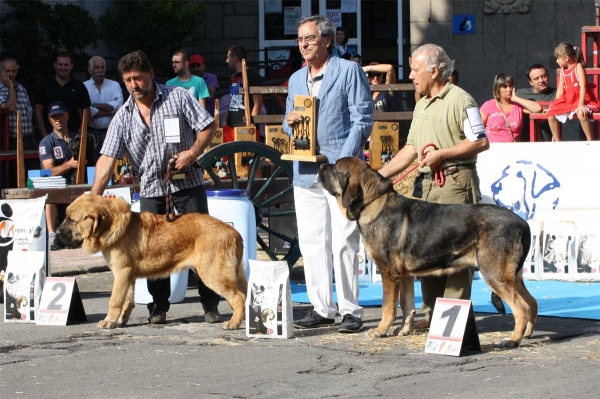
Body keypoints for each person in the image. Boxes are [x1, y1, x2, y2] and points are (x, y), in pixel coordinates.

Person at [90, 50, 222, 325]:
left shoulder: (178, 97)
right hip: (151, 189)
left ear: (151, 75)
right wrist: (93, 198)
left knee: (201, 248)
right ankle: (158, 307)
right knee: (150, 251)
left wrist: (193, 152)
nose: (133, 85)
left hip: (188, 185)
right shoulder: (123, 115)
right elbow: (106, 159)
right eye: (127, 80)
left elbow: (207, 126)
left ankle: (210, 305)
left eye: (138, 78)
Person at [378, 43, 490, 329]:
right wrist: (379, 176)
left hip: (455, 183)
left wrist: (443, 153)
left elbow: (480, 141)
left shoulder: (462, 100)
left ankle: (452, 319)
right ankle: (429, 315)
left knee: (457, 251)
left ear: (435, 70)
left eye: (416, 70)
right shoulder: (421, 104)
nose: (412, 76)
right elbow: (411, 149)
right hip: (426, 188)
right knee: (425, 249)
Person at [283, 15, 373, 333]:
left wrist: (344, 161)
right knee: (311, 241)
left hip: (340, 170)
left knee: (344, 240)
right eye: (299, 40)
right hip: (305, 169)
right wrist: (289, 122)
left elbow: (362, 118)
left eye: (309, 38)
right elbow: (285, 122)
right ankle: (322, 307)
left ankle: (351, 310)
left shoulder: (348, 71)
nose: (303, 44)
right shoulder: (295, 79)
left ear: (327, 40)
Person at [38, 102, 78, 250]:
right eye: (54, 117)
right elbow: (48, 171)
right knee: (49, 195)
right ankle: (52, 235)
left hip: (76, 185)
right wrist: (69, 165)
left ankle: (78, 235)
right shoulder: (46, 142)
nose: (58, 119)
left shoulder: (78, 138)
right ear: (49, 120)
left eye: (60, 115)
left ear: (67, 116)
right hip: (56, 186)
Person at [546, 42, 600, 141]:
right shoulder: (562, 70)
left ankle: (589, 140)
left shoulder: (578, 67)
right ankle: (557, 140)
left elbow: (583, 86)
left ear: (566, 58)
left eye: (558, 58)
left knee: (581, 113)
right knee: (550, 114)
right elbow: (560, 90)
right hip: (568, 100)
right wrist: (554, 105)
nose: (557, 61)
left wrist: (581, 104)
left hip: (581, 99)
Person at [35, 52, 91, 137]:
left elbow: (86, 111)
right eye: (60, 64)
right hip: (50, 136)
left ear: (72, 66)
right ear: (55, 65)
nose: (63, 67)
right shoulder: (45, 86)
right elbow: (38, 111)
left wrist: (80, 134)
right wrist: (44, 135)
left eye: (66, 65)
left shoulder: (79, 86)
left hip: (73, 136)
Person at [84, 56, 124, 165]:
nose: (100, 71)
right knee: (94, 164)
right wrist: (110, 110)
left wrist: (95, 106)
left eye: (102, 67)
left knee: (112, 164)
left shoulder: (114, 85)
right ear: (90, 70)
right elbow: (87, 111)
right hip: (92, 133)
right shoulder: (84, 87)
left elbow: (119, 106)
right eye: (97, 68)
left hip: (111, 132)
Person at [479, 73, 542, 142]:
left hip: (512, 150)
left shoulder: (518, 106)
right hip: (492, 149)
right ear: (497, 89)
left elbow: (537, 109)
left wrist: (516, 98)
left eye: (511, 86)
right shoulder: (488, 105)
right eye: (505, 87)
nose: (509, 89)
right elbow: (478, 129)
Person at [224, 45, 263, 142]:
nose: (226, 61)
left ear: (235, 58)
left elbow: (258, 103)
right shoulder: (233, 77)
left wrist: (251, 126)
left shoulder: (253, 76)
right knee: (228, 156)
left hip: (245, 125)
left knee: (246, 156)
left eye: (228, 57)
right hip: (230, 126)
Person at [0, 57, 35, 151]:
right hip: (8, 140)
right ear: (1, 72)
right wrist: (10, 87)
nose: (11, 74)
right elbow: (10, 108)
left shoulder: (21, 88)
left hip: (27, 138)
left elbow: (29, 113)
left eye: (13, 71)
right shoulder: (1, 87)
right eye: (7, 71)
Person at [516, 64, 557, 142]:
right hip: (526, 143)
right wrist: (529, 111)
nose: (541, 80)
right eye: (536, 78)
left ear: (548, 77)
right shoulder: (521, 94)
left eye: (543, 76)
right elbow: (505, 106)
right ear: (530, 82)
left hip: (550, 142)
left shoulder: (557, 94)